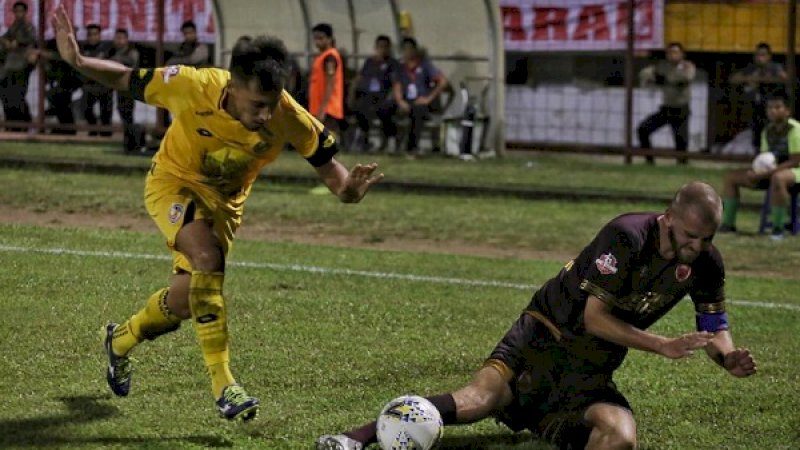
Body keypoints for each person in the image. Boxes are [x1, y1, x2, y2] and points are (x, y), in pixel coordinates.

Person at [52, 5, 383, 421]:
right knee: (209, 259)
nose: (264, 115)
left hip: (225, 206)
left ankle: (120, 339)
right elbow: (123, 78)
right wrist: (78, 60)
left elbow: (336, 179)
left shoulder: (288, 116)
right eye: (257, 104)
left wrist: (350, 190)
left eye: (271, 104)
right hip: (173, 183)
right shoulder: (193, 85)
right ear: (234, 85)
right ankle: (224, 384)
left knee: (188, 299)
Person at [317, 181, 757, 450]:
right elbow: (595, 319)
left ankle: (542, 422)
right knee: (476, 401)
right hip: (541, 339)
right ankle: (355, 438)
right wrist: (661, 345)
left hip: (588, 371)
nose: (696, 248)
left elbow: (713, 324)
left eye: (706, 239)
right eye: (689, 237)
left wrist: (726, 357)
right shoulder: (627, 236)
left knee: (621, 436)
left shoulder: (707, 262)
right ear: (668, 217)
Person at [720, 92, 800, 240]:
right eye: (770, 108)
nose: (773, 111)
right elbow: (765, 158)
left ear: (787, 111)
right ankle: (728, 224)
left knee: (778, 178)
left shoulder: (795, 129)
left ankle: (778, 228)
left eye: (778, 107)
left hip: (795, 171)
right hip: (772, 172)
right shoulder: (767, 131)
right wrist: (755, 171)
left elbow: (796, 160)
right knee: (732, 177)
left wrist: (766, 173)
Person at [637, 42, 696, 165]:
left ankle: (682, 166)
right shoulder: (663, 66)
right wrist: (651, 77)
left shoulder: (687, 66)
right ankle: (649, 161)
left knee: (681, 144)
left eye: (675, 52)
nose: (672, 55)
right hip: (667, 109)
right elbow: (645, 74)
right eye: (669, 53)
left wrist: (663, 78)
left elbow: (685, 78)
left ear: (682, 54)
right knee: (643, 129)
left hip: (681, 110)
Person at [393, 37, 448, 155]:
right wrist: (400, 101)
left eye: (409, 49)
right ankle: (393, 145)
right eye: (404, 49)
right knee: (387, 109)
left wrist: (428, 98)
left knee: (417, 112)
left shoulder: (425, 65)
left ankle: (412, 147)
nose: (407, 52)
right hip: (407, 101)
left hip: (421, 102)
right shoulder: (400, 68)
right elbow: (397, 85)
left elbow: (443, 82)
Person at [730, 42, 788, 154]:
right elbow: (734, 79)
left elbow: (785, 78)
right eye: (757, 55)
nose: (760, 58)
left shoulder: (775, 67)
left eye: (763, 55)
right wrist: (751, 78)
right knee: (757, 133)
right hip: (756, 107)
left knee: (771, 132)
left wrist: (771, 79)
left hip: (772, 107)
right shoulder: (752, 68)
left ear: (769, 56)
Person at [348, 35, 399, 152]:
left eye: (385, 47)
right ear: (376, 47)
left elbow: (396, 83)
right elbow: (358, 78)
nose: (382, 50)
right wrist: (351, 94)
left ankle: (387, 141)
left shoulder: (393, 64)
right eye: (380, 47)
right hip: (367, 96)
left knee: (385, 110)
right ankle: (364, 141)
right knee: (360, 108)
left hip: (383, 97)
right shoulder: (369, 62)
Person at [0, 1, 37, 131]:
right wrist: (6, 42)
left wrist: (18, 42)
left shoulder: (28, 27)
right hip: (11, 65)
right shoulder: (13, 27)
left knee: (18, 95)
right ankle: (12, 123)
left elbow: (31, 40)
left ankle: (25, 123)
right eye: (16, 11)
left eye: (21, 11)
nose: (19, 14)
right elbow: (4, 38)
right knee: (7, 94)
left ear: (25, 13)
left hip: (22, 65)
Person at [309, 23, 344, 135]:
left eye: (321, 38)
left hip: (328, 107)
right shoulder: (322, 56)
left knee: (327, 139)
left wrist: (323, 109)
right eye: (315, 38)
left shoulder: (330, 57)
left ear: (329, 39)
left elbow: (331, 83)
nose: (317, 42)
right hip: (319, 105)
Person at [108, 28, 139, 149]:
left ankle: (132, 143)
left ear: (126, 39)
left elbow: (131, 63)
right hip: (119, 87)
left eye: (122, 38)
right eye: (117, 38)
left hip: (129, 88)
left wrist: (114, 60)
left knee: (128, 115)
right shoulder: (113, 52)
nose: (119, 41)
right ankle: (128, 142)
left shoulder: (132, 52)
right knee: (123, 114)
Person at [80, 24, 113, 136]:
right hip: (89, 84)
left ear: (99, 35)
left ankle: (106, 134)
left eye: (95, 34)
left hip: (104, 84)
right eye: (90, 35)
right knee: (85, 109)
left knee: (106, 112)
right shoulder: (83, 49)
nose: (92, 37)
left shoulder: (107, 49)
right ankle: (93, 130)